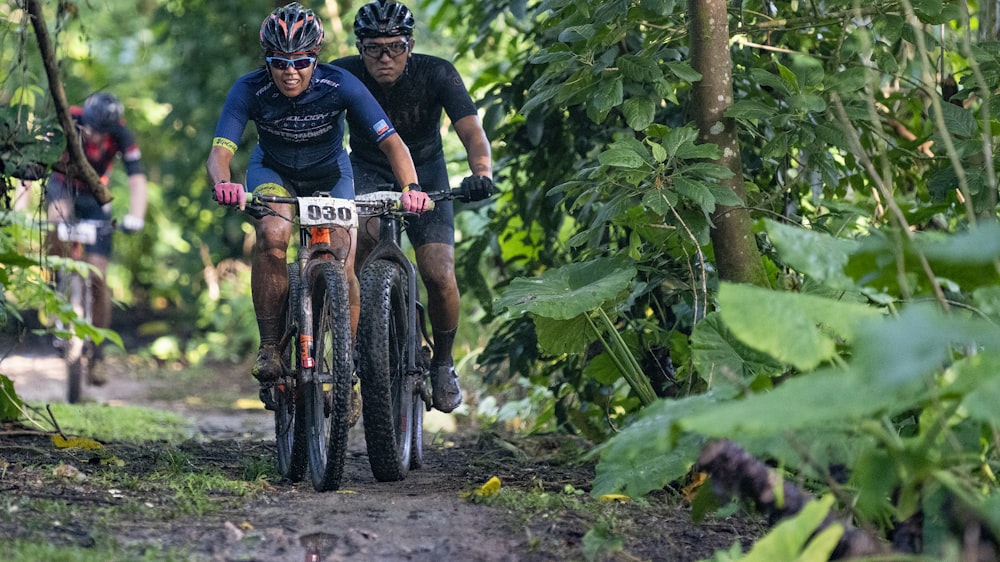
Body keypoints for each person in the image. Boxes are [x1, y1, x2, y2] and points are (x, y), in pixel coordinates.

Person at [206, 2, 428, 401]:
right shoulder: (248, 89)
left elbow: (391, 141)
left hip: (331, 175)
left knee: (343, 261)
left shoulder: (340, 84)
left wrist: (411, 188)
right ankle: (271, 346)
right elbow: (221, 151)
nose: (290, 71)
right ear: (267, 61)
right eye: (279, 62)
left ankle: (347, 358)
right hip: (273, 172)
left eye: (302, 61)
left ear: (316, 58)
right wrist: (224, 184)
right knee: (273, 235)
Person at [332, 0, 494, 413]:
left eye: (395, 47)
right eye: (374, 49)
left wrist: (481, 172)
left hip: (427, 172)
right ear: (359, 47)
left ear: (411, 45)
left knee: (438, 272)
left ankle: (442, 362)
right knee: (354, 256)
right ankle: (354, 356)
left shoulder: (437, 72)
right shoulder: (344, 73)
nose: (385, 58)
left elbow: (473, 133)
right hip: (367, 169)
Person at [15, 91, 149, 384]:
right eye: (92, 131)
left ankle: (97, 355)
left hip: (95, 195)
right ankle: (54, 286)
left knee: (99, 278)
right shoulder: (68, 120)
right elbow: (32, 164)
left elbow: (136, 178)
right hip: (62, 187)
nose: (96, 138)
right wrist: (19, 209)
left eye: (103, 134)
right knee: (56, 222)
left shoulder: (122, 134)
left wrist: (135, 217)